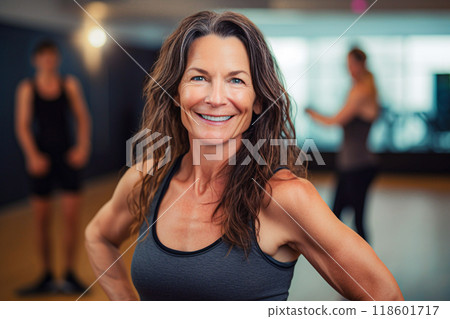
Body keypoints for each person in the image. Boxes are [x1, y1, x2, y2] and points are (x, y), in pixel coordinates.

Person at [85, 12, 402, 301]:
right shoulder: (148, 178)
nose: (216, 98)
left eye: (236, 80)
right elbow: (98, 236)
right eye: (199, 77)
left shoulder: (285, 197)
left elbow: (387, 301)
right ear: (175, 93)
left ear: (258, 100)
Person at [15, 39, 92, 294]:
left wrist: (82, 147)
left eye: (52, 57)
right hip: (41, 159)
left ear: (56, 59)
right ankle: (47, 275)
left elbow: (83, 117)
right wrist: (32, 155)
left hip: (67, 157)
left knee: (71, 220)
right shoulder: (27, 88)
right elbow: (23, 126)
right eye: (43, 57)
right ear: (36, 60)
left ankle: (69, 275)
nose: (48, 61)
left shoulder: (69, 84)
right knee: (41, 221)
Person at [305, 47, 380, 243]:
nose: (349, 69)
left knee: (353, 219)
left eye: (351, 64)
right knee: (339, 216)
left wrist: (312, 114)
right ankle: (344, 265)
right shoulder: (364, 89)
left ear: (361, 64)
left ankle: (366, 268)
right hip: (351, 164)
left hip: (358, 166)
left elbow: (335, 121)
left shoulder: (361, 91)